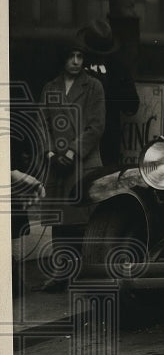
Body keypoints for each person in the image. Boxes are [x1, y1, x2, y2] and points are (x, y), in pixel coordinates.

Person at [39, 38, 106, 291]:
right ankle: (61, 273)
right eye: (71, 56)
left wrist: (72, 152)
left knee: (82, 222)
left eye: (80, 56)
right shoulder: (50, 88)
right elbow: (41, 121)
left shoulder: (94, 87)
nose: (76, 61)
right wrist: (49, 153)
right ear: (63, 59)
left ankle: (83, 272)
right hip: (57, 165)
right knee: (60, 222)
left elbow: (96, 126)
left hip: (82, 164)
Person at [77, 19, 140, 170]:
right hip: (86, 136)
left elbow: (132, 105)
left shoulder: (117, 66)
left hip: (103, 137)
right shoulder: (77, 64)